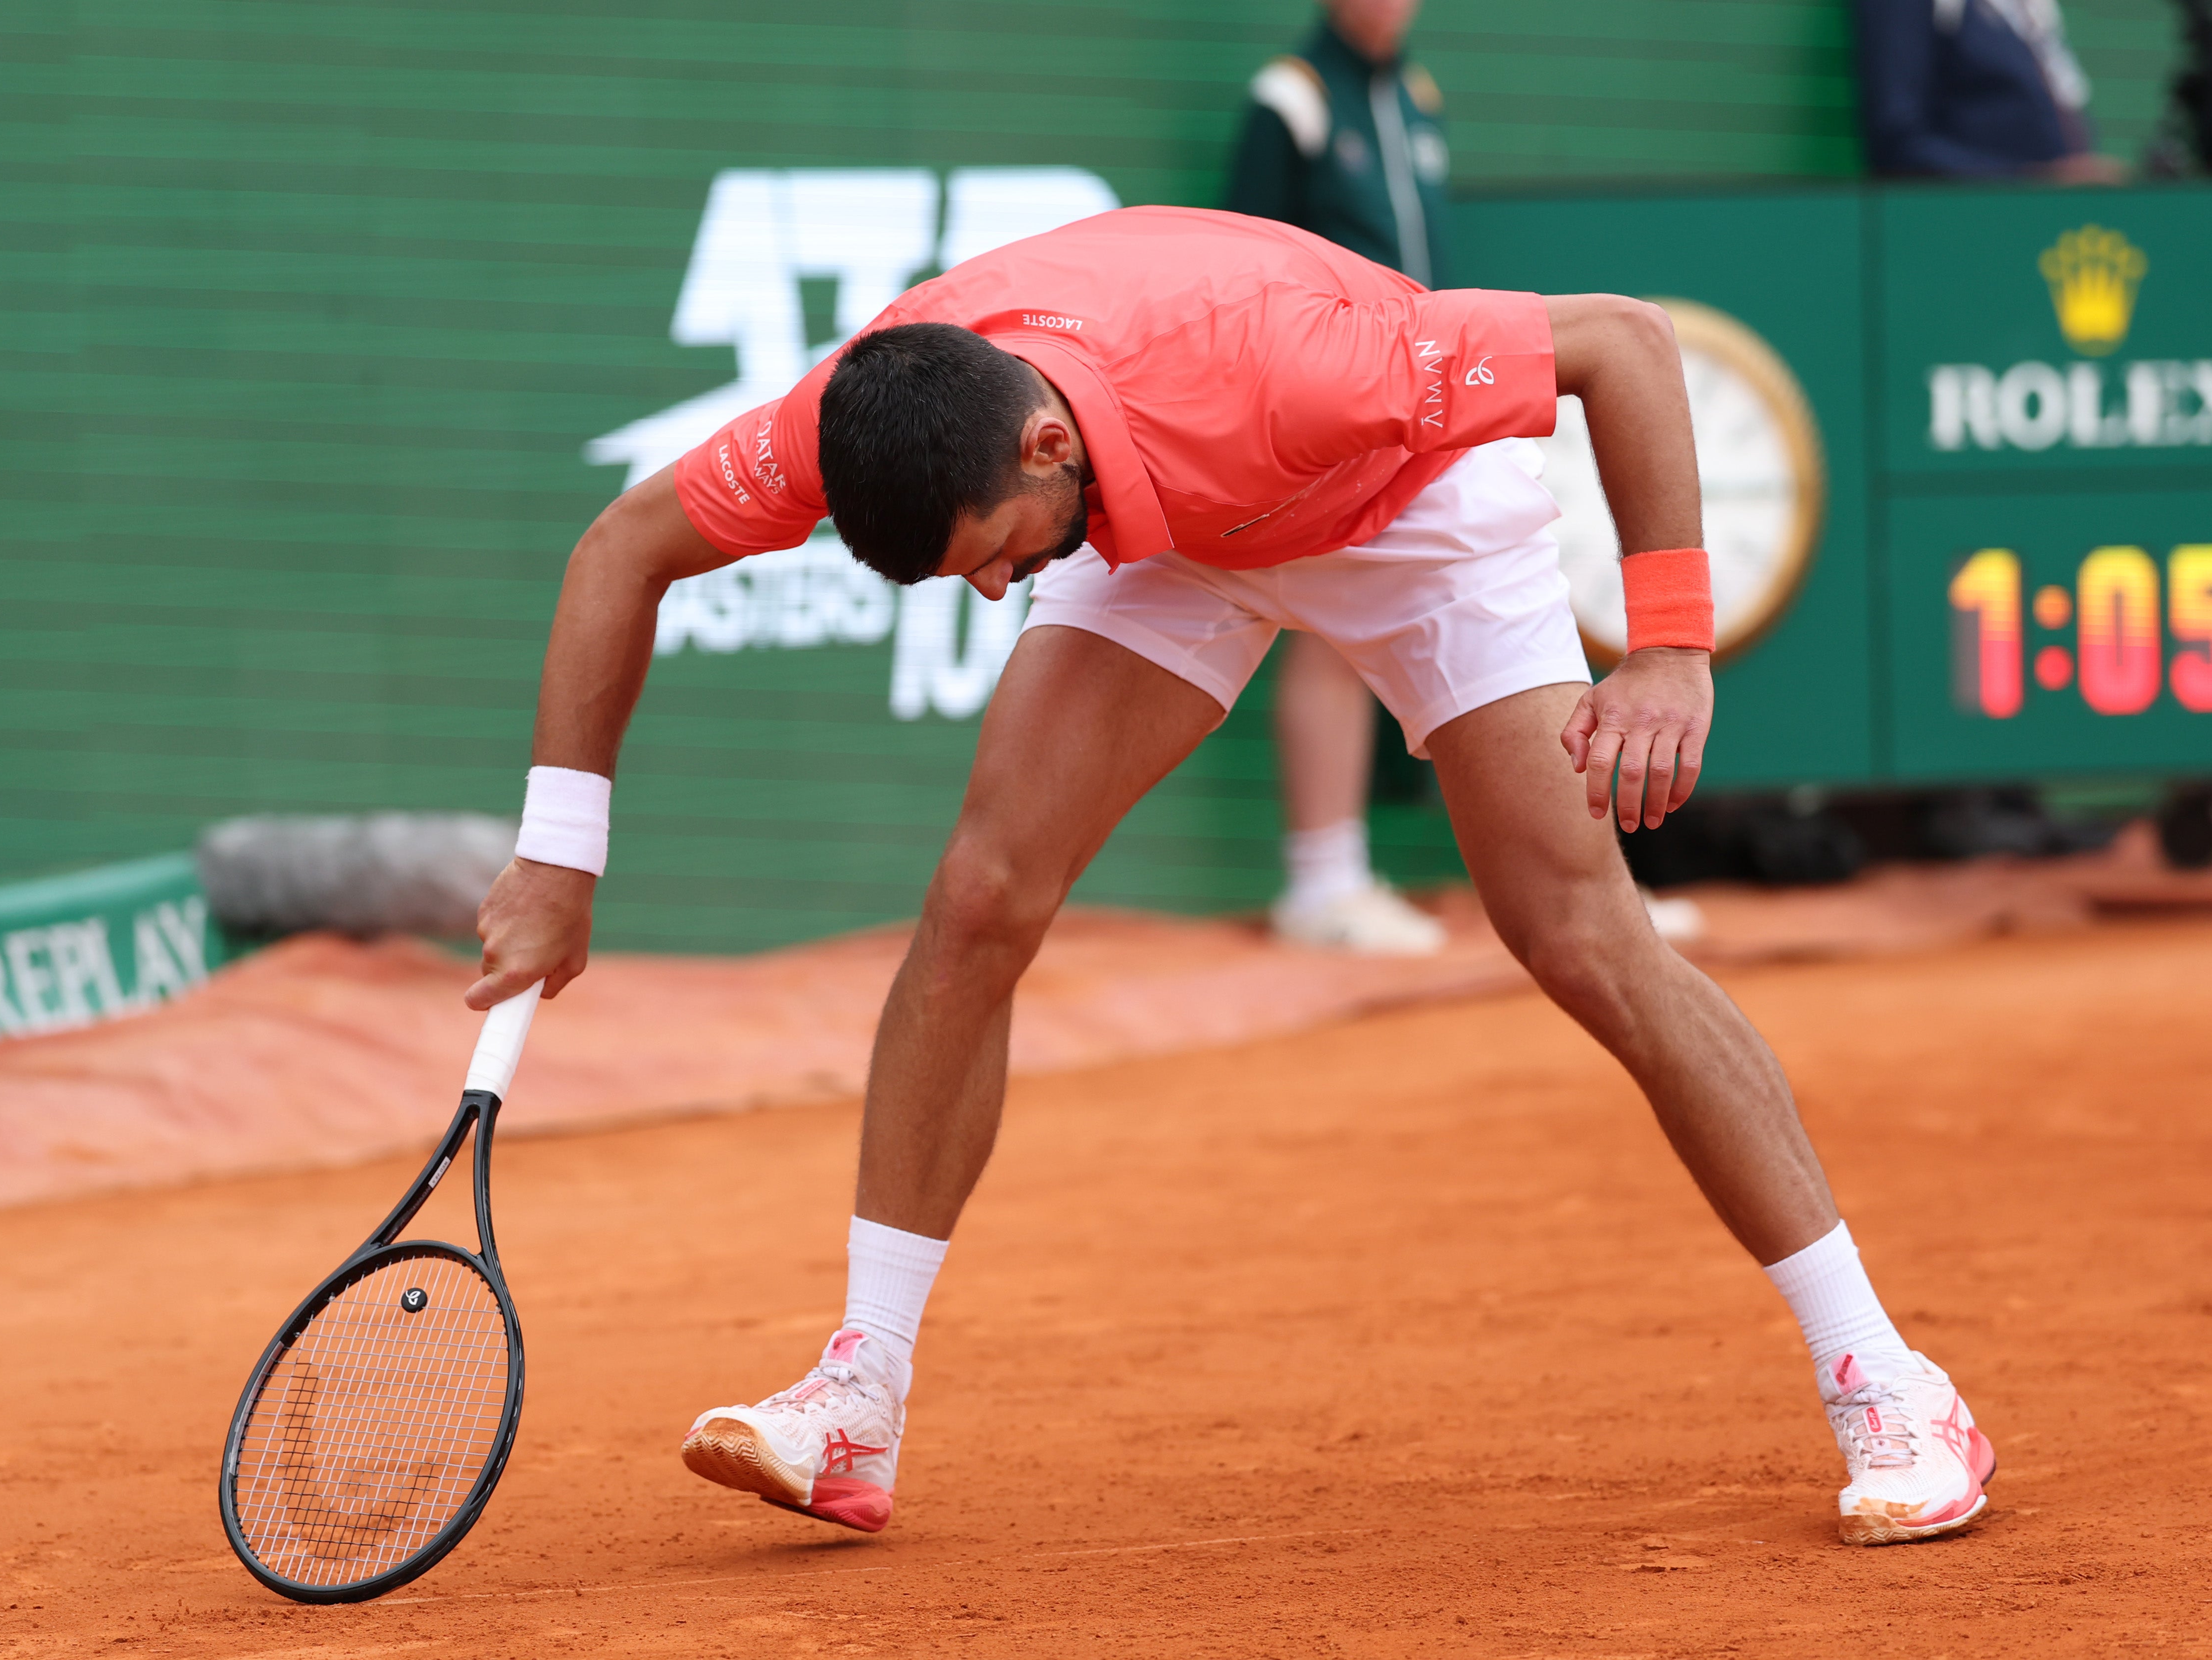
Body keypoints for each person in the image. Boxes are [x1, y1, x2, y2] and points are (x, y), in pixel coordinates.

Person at [473, 207, 1996, 1548]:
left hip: (1404, 507)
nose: (1001, 586)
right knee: (982, 896)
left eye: (996, 554)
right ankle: (858, 1396)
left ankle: (1892, 1381)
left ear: (1042, 447)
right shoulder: (880, 405)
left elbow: (1624, 343)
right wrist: (557, 860)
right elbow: (623, 550)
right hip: (1170, 533)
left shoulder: (1304, 358)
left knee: (1580, 938)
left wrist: (1665, 646)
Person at [1227, 0, 1453, 953]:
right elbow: (1241, 266)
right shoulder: (1291, 100)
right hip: (1319, 404)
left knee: (1429, 608)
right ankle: (1320, 882)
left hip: (1422, 394)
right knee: (1324, 630)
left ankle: (1573, 880)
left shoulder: (1417, 97)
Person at [1853, 0, 2127, 180]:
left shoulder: (2029, 12)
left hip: (2050, 232)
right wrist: (2033, 180)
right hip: (1973, 233)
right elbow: (1898, 141)